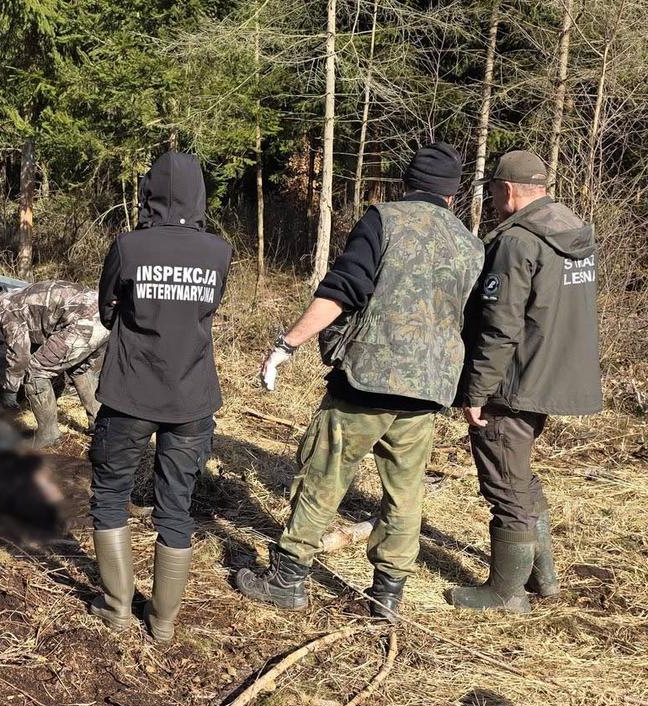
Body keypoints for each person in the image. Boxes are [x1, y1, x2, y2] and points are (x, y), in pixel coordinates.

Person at [236, 142, 484, 621]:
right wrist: (472, 391)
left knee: (324, 472)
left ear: (406, 182)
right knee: (405, 493)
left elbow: (342, 291)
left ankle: (288, 580)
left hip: (366, 380)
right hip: (428, 390)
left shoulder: (383, 220)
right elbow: (478, 326)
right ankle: (387, 595)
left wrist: (287, 345)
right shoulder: (471, 245)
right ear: (452, 196)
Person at [446, 150, 601, 613]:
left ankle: (505, 593)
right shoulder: (570, 230)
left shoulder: (517, 242)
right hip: (549, 376)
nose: (492, 201)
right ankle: (544, 578)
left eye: (493, 191)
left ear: (508, 190)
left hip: (511, 385)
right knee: (521, 478)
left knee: (505, 486)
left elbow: (501, 328)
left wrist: (476, 393)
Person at [87, 151, 232, 643]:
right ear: (198, 194)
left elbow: (108, 308)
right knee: (177, 505)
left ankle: (117, 609)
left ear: (151, 193)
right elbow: (207, 308)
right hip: (193, 399)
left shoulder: (129, 246)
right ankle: (164, 622)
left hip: (129, 393)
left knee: (110, 496)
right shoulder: (218, 251)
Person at [0, 281, 108, 447]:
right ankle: (100, 426)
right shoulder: (20, 295)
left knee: (35, 372)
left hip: (83, 322)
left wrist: (10, 391)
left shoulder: (6, 309)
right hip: (104, 315)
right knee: (80, 369)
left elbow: (19, 355)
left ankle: (48, 434)